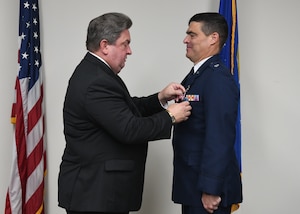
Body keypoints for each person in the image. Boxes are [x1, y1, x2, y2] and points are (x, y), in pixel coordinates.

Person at [58, 12, 191, 214]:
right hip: (94, 194)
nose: (129, 51)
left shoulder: (96, 72)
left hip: (97, 192)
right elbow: (129, 128)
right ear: (104, 46)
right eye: (125, 44)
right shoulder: (96, 80)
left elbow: (123, 108)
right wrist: (170, 116)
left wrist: (160, 98)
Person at [171, 12, 242, 214]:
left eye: (192, 34)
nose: (186, 39)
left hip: (208, 191)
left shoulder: (217, 78)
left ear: (213, 38)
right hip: (194, 184)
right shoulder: (198, 76)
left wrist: (211, 188)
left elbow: (220, 137)